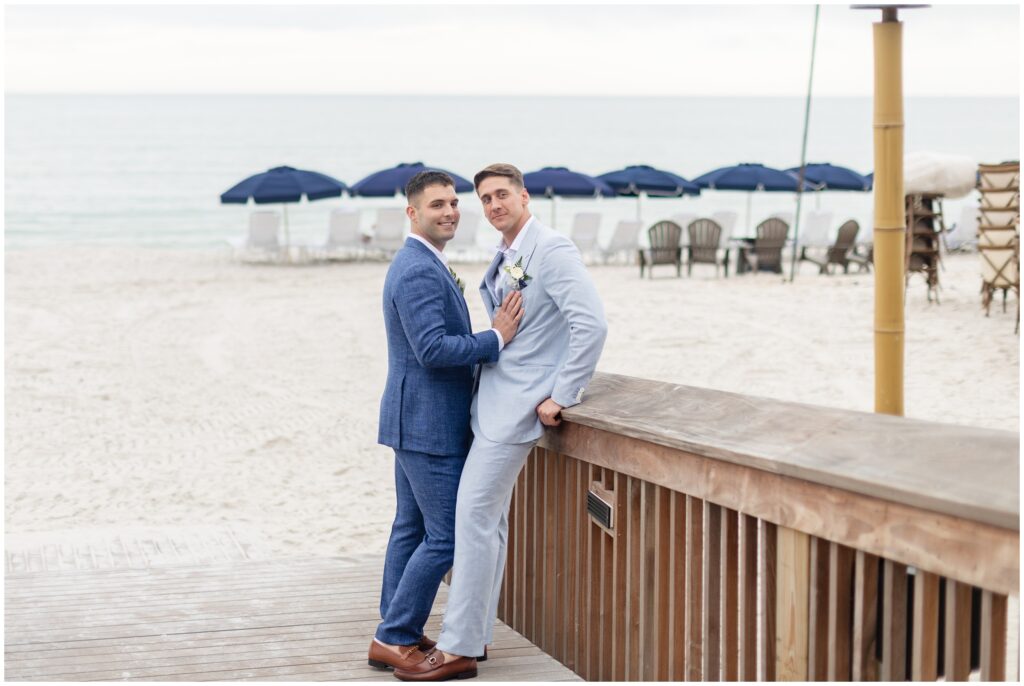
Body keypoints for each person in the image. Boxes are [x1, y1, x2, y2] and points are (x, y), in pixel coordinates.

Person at [394, 163, 607, 681]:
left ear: (525, 196)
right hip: (488, 406)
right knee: (488, 525)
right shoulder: (508, 253)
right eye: (485, 199)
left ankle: (459, 647)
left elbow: (592, 324)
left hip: (516, 411)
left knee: (471, 523)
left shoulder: (551, 250)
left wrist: (563, 393)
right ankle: (479, 636)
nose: (493, 206)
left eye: (502, 195)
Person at [369, 170, 524, 673]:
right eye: (437, 205)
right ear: (412, 213)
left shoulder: (425, 262)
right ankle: (394, 635)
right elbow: (433, 350)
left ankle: (396, 630)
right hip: (428, 424)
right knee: (447, 537)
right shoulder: (416, 268)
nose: (450, 212)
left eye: (454, 203)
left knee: (410, 528)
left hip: (413, 418)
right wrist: (494, 338)